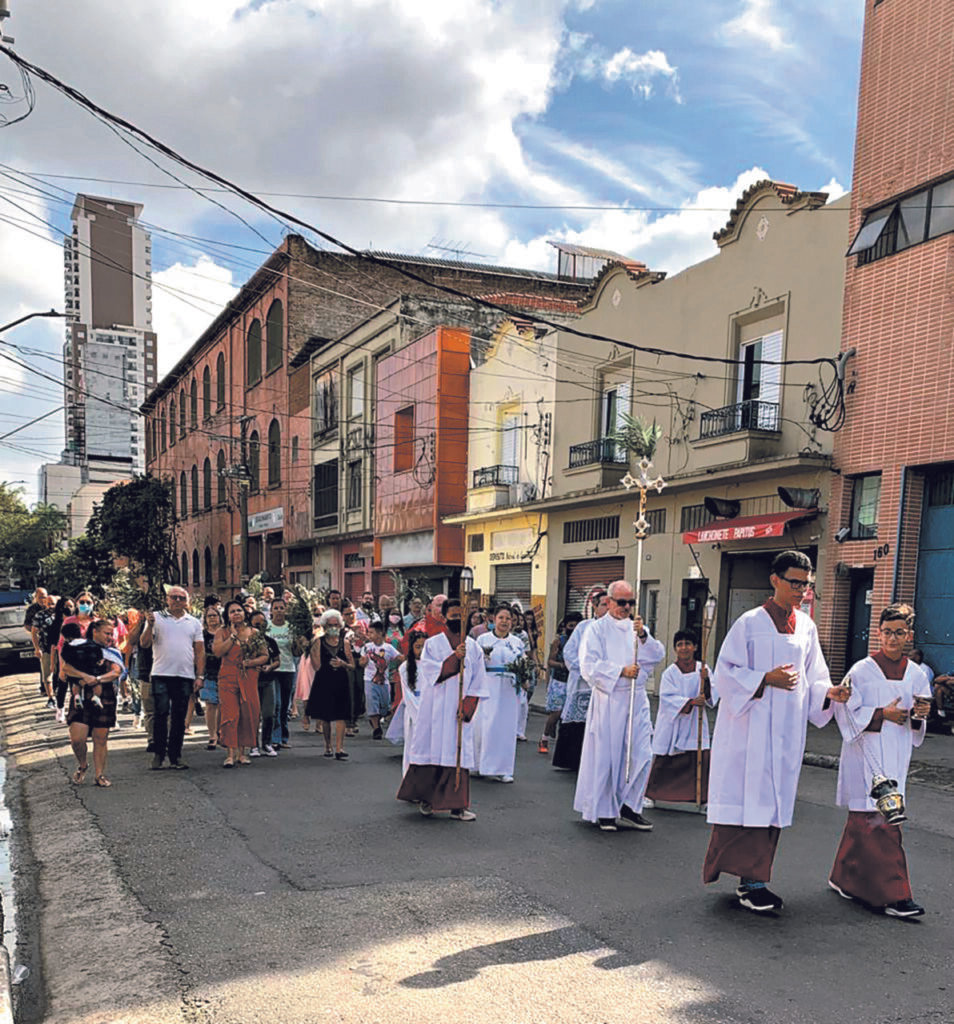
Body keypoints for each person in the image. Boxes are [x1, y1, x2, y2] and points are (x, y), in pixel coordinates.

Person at [702, 551, 849, 913]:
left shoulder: (807, 627)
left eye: (806, 584)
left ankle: (755, 880)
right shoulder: (749, 623)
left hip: (786, 731)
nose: (801, 590)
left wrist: (829, 694)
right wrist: (765, 679)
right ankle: (751, 883)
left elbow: (816, 676)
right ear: (775, 580)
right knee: (748, 804)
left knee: (771, 806)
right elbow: (724, 674)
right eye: (795, 582)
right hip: (749, 733)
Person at [828, 604, 930, 918]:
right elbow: (843, 710)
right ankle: (895, 895)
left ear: (908, 635)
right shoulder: (860, 670)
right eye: (887, 632)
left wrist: (919, 715)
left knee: (865, 820)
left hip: (896, 753)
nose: (893, 638)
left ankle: (843, 877)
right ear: (878, 633)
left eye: (899, 633)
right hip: (866, 753)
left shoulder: (916, 674)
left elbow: (919, 715)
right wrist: (881, 714)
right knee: (880, 821)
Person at [574, 582, 665, 832]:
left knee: (642, 752)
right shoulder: (596, 629)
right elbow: (589, 665)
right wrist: (620, 672)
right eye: (621, 602)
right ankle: (605, 810)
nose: (626, 608)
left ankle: (629, 805)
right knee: (608, 755)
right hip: (610, 697)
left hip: (636, 698)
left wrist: (644, 636)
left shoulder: (636, 627)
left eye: (631, 603)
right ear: (610, 601)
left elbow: (656, 655)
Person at [396, 599, 489, 820]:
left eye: (461, 616)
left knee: (458, 755)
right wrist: (454, 658)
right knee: (432, 751)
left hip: (458, 711)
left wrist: (468, 706)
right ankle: (427, 799)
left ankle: (458, 806)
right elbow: (430, 673)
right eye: (453, 616)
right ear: (445, 618)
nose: (458, 620)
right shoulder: (433, 644)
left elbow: (479, 681)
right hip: (435, 710)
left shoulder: (474, 647)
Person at [645, 630, 718, 808]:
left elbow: (712, 694)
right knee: (665, 761)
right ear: (675, 649)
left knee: (699, 759)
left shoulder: (704, 669)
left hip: (695, 722)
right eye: (679, 645)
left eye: (687, 644)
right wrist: (691, 702)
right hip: (675, 722)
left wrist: (706, 682)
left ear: (695, 647)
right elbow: (667, 697)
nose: (684, 648)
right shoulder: (670, 673)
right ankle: (651, 794)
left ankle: (700, 796)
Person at [139, 586, 205, 771]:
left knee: (179, 717)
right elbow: (144, 644)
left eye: (181, 598)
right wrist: (150, 625)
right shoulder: (156, 617)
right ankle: (159, 754)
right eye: (173, 597)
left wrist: (200, 675)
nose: (177, 601)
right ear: (167, 599)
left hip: (184, 675)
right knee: (160, 714)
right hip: (161, 673)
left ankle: (176, 755)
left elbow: (200, 651)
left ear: (187, 601)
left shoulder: (193, 622)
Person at [60, 618, 123, 787]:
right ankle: (82, 764)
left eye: (112, 634)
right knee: (77, 739)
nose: (110, 637)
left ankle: (99, 774)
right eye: (106, 633)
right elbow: (65, 669)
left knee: (100, 738)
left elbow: (116, 672)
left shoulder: (111, 651)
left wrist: (96, 679)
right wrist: (84, 677)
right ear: (95, 631)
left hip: (104, 693)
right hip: (81, 693)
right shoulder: (79, 647)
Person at [553, 592, 609, 771]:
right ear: (594, 605)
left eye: (610, 604)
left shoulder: (615, 628)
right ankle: (572, 760)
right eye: (603, 605)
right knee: (578, 724)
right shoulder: (584, 626)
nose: (607, 609)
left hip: (605, 684)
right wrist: (587, 670)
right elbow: (570, 652)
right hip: (582, 683)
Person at [473, 606, 526, 783]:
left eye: (508, 619)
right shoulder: (483, 639)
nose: (504, 621)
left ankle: (503, 768)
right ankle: (479, 764)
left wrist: (524, 677)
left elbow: (523, 664)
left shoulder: (517, 642)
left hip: (509, 689)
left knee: (506, 727)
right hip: (489, 686)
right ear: (494, 619)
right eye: (501, 618)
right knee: (485, 726)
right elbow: (474, 663)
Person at [212, 600, 267, 768]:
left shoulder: (254, 632)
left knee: (247, 713)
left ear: (245, 613)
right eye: (232, 611)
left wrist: (250, 663)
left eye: (239, 610)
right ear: (227, 616)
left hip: (248, 676)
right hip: (228, 677)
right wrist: (233, 637)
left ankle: (242, 753)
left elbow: (264, 656)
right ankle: (230, 754)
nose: (236, 613)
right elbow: (218, 652)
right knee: (230, 715)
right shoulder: (222, 632)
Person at [306, 609, 354, 759]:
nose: (334, 628)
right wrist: (312, 650)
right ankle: (328, 745)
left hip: (341, 680)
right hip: (324, 680)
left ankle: (339, 748)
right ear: (325, 626)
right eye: (330, 625)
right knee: (325, 716)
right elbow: (316, 666)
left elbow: (352, 665)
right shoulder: (318, 642)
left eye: (336, 625)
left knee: (341, 715)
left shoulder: (344, 643)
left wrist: (342, 663)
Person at [539, 613, 582, 754]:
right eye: (571, 626)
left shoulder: (584, 642)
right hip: (559, 681)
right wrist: (562, 665)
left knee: (568, 714)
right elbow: (550, 661)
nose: (574, 628)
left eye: (576, 625)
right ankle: (544, 737)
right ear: (565, 626)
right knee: (556, 713)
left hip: (575, 683)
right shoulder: (559, 641)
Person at [387, 633, 426, 776]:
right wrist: (419, 716)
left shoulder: (433, 666)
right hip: (414, 713)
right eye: (418, 647)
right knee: (413, 748)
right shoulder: (405, 667)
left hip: (430, 711)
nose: (421, 650)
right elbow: (408, 695)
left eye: (424, 646)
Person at [359, 620, 403, 739]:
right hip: (369, 680)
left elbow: (399, 657)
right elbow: (361, 662)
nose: (369, 635)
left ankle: (378, 717)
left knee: (384, 705)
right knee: (372, 702)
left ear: (379, 633)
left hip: (384, 680)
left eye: (372, 632)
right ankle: (376, 727)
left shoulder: (388, 648)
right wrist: (363, 662)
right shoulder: (367, 647)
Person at [266, 598, 297, 749]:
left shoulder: (291, 628)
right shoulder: (267, 628)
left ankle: (284, 737)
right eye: (276, 608)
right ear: (271, 611)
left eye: (281, 608)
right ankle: (275, 738)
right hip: (273, 670)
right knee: (276, 704)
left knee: (285, 706)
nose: (279, 611)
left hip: (288, 669)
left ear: (286, 610)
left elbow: (297, 651)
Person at [249, 610, 280, 757]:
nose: (259, 626)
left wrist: (270, 667)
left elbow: (277, 660)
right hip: (252, 680)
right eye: (256, 624)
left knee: (269, 713)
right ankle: (253, 744)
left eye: (262, 623)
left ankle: (267, 743)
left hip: (268, 680)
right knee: (253, 714)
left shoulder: (270, 641)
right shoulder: (246, 642)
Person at [199, 606, 223, 751]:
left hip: (224, 671)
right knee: (210, 704)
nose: (212, 618)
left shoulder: (225, 633)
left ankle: (220, 732)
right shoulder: (202, 635)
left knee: (222, 704)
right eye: (209, 616)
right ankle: (212, 735)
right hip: (208, 672)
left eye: (215, 615)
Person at [32, 593, 57, 708]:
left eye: (53, 603)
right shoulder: (40, 616)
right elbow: (34, 632)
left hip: (60, 649)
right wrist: (37, 648)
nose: (50, 606)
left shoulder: (61, 615)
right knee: (47, 674)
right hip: (46, 648)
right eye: (48, 603)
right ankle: (51, 698)